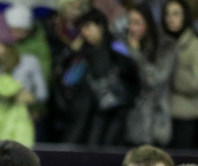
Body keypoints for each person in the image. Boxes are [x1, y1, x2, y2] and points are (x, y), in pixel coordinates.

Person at [60, 9, 140, 146]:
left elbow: (133, 75)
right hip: (93, 111)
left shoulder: (117, 47)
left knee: (108, 146)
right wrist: (72, 52)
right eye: (82, 29)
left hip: (117, 109)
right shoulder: (84, 53)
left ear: (101, 26)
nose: (85, 33)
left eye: (88, 27)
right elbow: (68, 79)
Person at [124, 5, 176, 147]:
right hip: (128, 116)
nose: (132, 28)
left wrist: (136, 54)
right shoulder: (124, 44)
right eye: (130, 22)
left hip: (154, 118)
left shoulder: (165, 46)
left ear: (148, 24)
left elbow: (155, 80)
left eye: (137, 23)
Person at [166, 0, 198, 149]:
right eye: (167, 14)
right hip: (164, 114)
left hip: (188, 115)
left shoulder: (196, 46)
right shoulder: (162, 43)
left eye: (176, 14)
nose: (170, 18)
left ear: (186, 17)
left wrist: (172, 76)